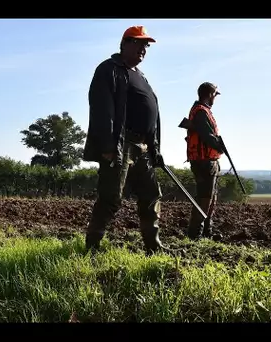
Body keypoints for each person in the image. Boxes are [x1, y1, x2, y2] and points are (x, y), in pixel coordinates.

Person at [81, 25, 167, 255]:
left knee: (151, 196)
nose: (143, 49)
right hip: (121, 144)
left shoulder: (141, 76)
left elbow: (152, 114)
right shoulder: (109, 69)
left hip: (143, 147)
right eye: (139, 43)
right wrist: (108, 145)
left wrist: (155, 149)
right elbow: (101, 109)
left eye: (146, 46)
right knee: (111, 197)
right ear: (125, 43)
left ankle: (153, 245)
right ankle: (92, 247)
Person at [181, 82, 225, 240]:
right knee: (205, 199)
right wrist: (220, 147)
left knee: (210, 198)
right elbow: (207, 137)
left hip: (206, 160)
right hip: (204, 161)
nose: (215, 98)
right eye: (215, 95)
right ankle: (196, 236)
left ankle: (207, 232)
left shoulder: (201, 110)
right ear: (210, 94)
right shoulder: (201, 112)